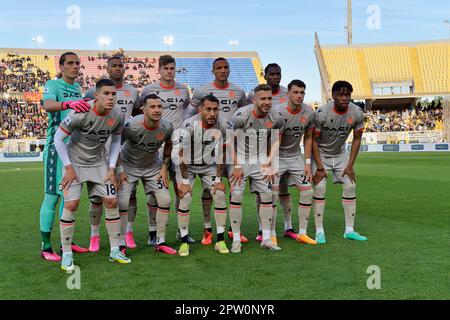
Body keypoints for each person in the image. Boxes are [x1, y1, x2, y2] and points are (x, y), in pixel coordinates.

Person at [54, 79, 129, 271]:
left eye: (113, 94)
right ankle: (67, 254)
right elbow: (58, 139)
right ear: (96, 95)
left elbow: (115, 142)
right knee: (71, 204)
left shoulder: (118, 115)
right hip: (75, 162)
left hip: (99, 163)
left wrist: (112, 168)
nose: (111, 97)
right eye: (106, 93)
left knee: (112, 201)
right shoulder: (80, 111)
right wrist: (68, 167)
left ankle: (114, 250)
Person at [84, 56, 140, 252]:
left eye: (121, 66)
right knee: (98, 196)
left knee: (129, 193)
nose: (118, 69)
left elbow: (138, 112)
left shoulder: (132, 90)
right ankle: (94, 235)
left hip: (126, 146)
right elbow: (84, 113)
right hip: (101, 147)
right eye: (114, 66)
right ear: (107, 69)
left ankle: (128, 232)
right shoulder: (93, 91)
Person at [190, 57, 248, 245]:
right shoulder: (202, 91)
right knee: (209, 191)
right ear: (213, 71)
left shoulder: (238, 91)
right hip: (207, 147)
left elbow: (242, 114)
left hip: (230, 145)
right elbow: (191, 113)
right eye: (219, 68)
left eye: (226, 67)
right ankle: (207, 230)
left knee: (235, 188)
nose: (223, 70)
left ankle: (232, 229)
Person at [40, 52, 90, 262]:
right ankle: (46, 246)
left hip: (73, 151)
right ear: (61, 67)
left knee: (68, 198)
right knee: (52, 196)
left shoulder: (78, 89)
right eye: (70, 63)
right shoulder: (53, 84)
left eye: (77, 63)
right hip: (55, 148)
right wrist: (68, 105)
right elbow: (48, 105)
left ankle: (65, 243)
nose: (75, 67)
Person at [140, 55, 192, 246]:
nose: (170, 71)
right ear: (159, 69)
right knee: (155, 192)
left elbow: (186, 109)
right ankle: (153, 232)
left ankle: (182, 231)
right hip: (157, 146)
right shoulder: (149, 90)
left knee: (182, 189)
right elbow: (141, 111)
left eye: (172, 68)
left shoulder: (183, 90)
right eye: (166, 68)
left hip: (178, 145)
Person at [117, 94, 176, 255]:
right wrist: (119, 169)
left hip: (152, 166)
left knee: (165, 199)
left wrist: (164, 167)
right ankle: (120, 244)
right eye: (152, 107)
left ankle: (160, 241)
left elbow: (169, 145)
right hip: (129, 166)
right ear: (143, 109)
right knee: (122, 202)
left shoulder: (167, 126)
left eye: (159, 107)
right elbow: (115, 145)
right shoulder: (130, 126)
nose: (157, 110)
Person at [229, 84, 284, 253]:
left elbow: (276, 139)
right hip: (241, 160)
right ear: (254, 100)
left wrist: (268, 159)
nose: (267, 102)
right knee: (236, 197)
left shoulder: (276, 117)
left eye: (269, 98)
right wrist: (237, 164)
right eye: (263, 99)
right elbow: (230, 141)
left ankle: (266, 238)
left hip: (261, 161)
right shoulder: (241, 116)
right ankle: (236, 240)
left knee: (267, 196)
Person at [311, 80, 367, 244]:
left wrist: (350, 165)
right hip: (321, 153)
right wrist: (320, 167)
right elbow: (313, 140)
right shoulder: (322, 113)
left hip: (340, 153)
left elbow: (357, 139)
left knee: (350, 186)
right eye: (341, 94)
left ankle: (349, 230)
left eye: (347, 94)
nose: (344, 98)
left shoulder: (356, 112)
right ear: (333, 95)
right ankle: (319, 231)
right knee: (320, 188)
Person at [175, 94, 229, 256]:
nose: (212, 113)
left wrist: (218, 180)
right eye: (208, 109)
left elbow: (221, 153)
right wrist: (184, 182)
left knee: (219, 194)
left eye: (215, 109)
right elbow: (182, 154)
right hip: (187, 165)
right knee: (185, 197)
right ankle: (184, 243)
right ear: (200, 110)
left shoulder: (222, 125)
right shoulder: (189, 125)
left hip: (208, 164)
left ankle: (219, 240)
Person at [272, 80, 317, 245]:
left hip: (296, 157)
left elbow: (309, 137)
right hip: (277, 157)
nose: (299, 96)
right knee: (272, 195)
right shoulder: (278, 113)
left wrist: (307, 162)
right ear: (288, 94)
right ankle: (271, 233)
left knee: (307, 192)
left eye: (302, 93)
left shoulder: (309, 113)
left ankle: (303, 233)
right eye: (296, 92)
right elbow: (274, 140)